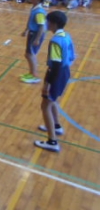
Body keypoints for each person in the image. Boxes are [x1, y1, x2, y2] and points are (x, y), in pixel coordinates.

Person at [34, 11, 75, 152]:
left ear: (54, 23)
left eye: (48, 21)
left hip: (56, 74)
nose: (46, 24)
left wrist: (48, 83)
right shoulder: (66, 36)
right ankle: (56, 126)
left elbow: (56, 64)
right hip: (65, 72)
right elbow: (71, 56)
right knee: (53, 101)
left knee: (45, 105)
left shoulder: (55, 41)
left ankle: (52, 141)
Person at [20, 0, 47, 84]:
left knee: (30, 54)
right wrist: (26, 30)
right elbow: (31, 21)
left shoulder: (39, 12)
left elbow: (42, 26)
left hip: (36, 34)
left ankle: (35, 76)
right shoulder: (34, 7)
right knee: (28, 54)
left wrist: (37, 39)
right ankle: (31, 73)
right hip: (32, 33)